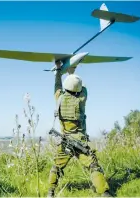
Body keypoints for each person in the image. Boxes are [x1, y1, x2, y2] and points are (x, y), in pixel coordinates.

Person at [47, 61, 112, 197]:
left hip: (65, 142)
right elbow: (83, 87)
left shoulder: (59, 98)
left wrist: (59, 70)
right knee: (93, 166)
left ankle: (50, 192)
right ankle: (105, 193)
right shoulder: (82, 98)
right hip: (81, 142)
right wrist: (72, 69)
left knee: (57, 167)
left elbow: (57, 86)